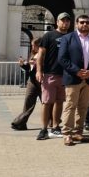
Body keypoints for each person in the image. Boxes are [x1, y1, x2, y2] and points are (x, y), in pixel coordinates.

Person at [57, 15, 89, 146]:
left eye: (87, 23)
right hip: (73, 78)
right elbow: (62, 58)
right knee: (70, 106)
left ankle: (78, 132)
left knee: (83, 107)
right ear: (77, 24)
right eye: (82, 22)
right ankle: (67, 134)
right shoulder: (67, 38)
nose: (85, 25)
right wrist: (77, 71)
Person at [35, 12, 71, 141]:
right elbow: (41, 54)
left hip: (65, 75)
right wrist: (39, 71)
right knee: (46, 102)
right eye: (63, 20)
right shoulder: (49, 36)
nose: (65, 23)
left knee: (59, 102)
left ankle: (56, 127)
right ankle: (43, 129)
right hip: (50, 74)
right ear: (57, 22)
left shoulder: (71, 36)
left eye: (67, 21)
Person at [11, 38, 41, 130]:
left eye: (34, 45)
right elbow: (29, 68)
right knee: (28, 102)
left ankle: (54, 122)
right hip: (32, 81)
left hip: (41, 81)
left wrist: (37, 64)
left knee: (46, 103)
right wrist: (23, 64)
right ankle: (21, 122)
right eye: (32, 45)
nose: (32, 47)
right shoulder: (33, 54)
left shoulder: (44, 54)